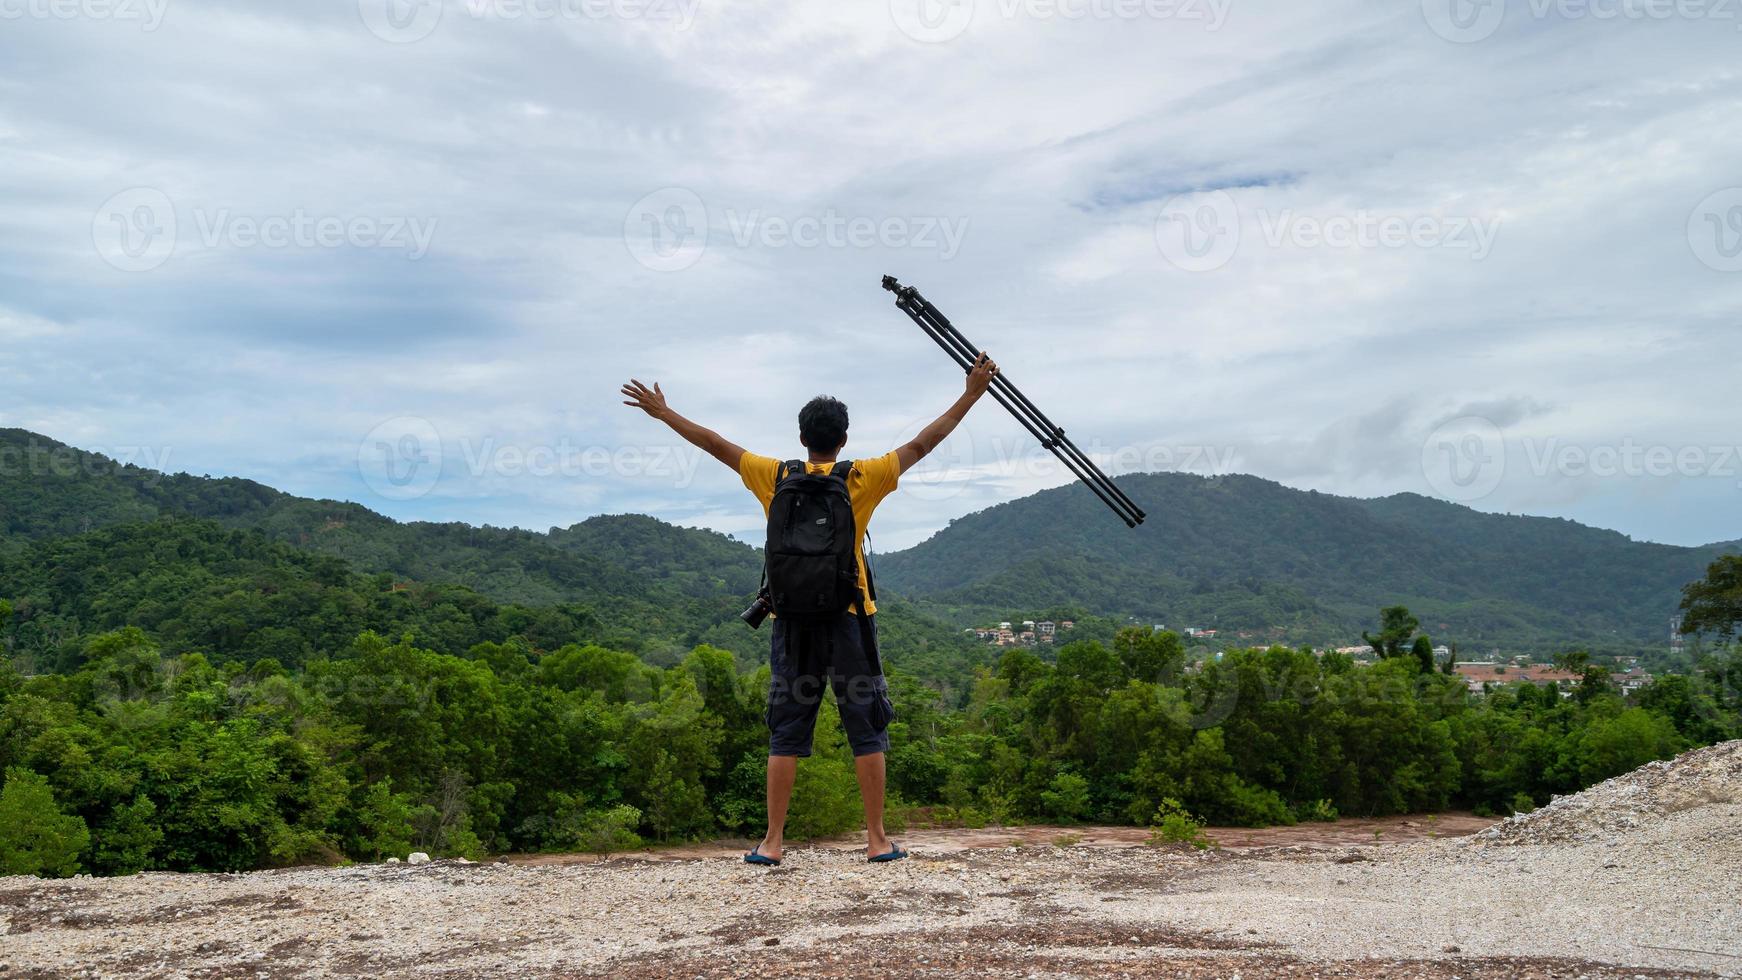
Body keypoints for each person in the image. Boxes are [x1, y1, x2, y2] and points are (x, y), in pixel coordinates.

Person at [619, 352, 999, 864]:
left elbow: (714, 445)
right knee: (865, 725)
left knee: (787, 729)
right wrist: (972, 393)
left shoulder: (773, 476)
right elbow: (923, 442)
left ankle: (772, 842)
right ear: (843, 439)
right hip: (849, 620)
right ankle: (876, 840)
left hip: (791, 622)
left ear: (802, 438)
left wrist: (664, 413)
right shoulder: (863, 476)